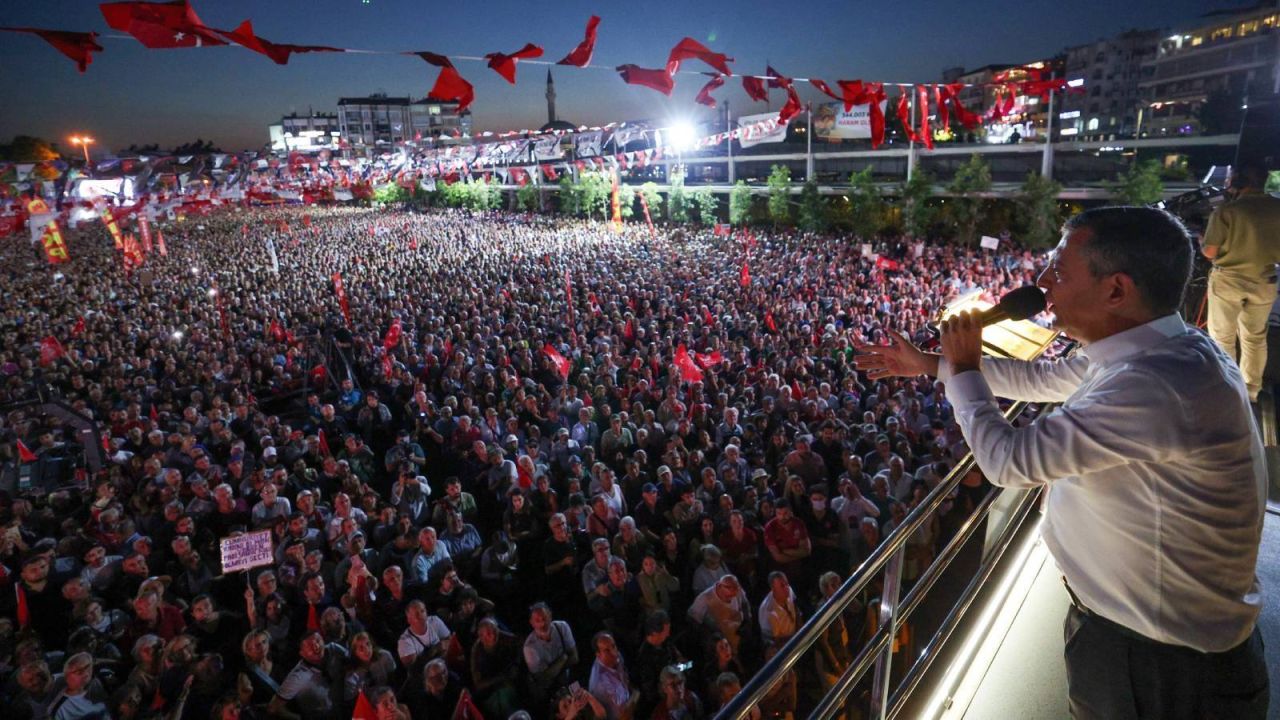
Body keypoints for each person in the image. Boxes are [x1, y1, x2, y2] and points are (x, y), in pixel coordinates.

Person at [855, 206, 1269, 719]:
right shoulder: (1159, 352)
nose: (1043, 283)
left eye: (1059, 270)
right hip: (1147, 640)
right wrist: (928, 365)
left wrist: (964, 368)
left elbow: (1008, 462)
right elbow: (1040, 381)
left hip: (1159, 667)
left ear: (1116, 290)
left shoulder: (1156, 385)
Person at [1201, 162, 1280, 402]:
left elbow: (1210, 252)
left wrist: (1200, 241)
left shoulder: (1227, 211)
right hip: (1264, 280)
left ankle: (1227, 389)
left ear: (1237, 182)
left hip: (1228, 281)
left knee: (1222, 336)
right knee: (1255, 336)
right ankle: (1251, 390)